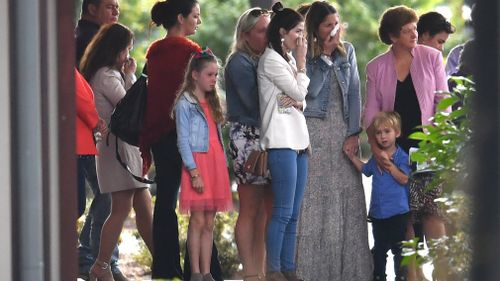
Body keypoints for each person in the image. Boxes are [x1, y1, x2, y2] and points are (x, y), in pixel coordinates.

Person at [363, 6, 449, 281]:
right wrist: (378, 151)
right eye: (407, 30)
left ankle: (444, 272)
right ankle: (413, 275)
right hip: (396, 152)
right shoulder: (376, 67)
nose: (414, 33)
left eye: (414, 27)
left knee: (432, 211)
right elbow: (371, 114)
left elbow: (443, 103)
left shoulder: (432, 57)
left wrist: (436, 139)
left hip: (429, 145)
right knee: (406, 217)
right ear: (392, 36)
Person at [139, 1, 222, 280]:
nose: (198, 21)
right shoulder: (193, 53)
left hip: (160, 135)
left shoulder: (153, 52)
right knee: (200, 207)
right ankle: (203, 271)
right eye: (195, 16)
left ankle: (165, 269)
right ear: (180, 17)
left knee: (165, 203)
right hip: (191, 138)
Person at [295, 2, 372, 281]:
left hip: (342, 129)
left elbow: (354, 93)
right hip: (313, 128)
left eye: (336, 22)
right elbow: (310, 93)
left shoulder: (348, 50)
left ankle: (352, 271)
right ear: (315, 28)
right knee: (314, 197)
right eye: (328, 24)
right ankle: (311, 271)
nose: (334, 29)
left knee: (348, 195)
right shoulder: (305, 54)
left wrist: (354, 132)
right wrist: (324, 56)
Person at [79, 23, 153, 281]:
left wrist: (128, 73)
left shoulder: (107, 73)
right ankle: (100, 265)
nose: (128, 55)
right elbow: (130, 105)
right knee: (121, 208)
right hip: (116, 150)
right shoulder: (107, 76)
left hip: (122, 149)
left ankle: (165, 262)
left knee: (144, 208)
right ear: (116, 49)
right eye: (127, 49)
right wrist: (132, 75)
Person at [257, 2, 309, 281]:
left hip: (299, 142)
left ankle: (288, 268)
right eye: (298, 32)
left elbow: (298, 99)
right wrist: (301, 67)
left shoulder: (285, 59)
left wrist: (296, 95)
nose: (301, 39)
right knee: (282, 211)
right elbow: (298, 93)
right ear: (282, 32)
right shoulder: (273, 60)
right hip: (280, 142)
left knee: (294, 214)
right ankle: (273, 270)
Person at [172, 49, 233, 281]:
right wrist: (193, 171)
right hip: (197, 165)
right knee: (197, 220)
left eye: (216, 75)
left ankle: (207, 272)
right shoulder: (185, 103)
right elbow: (182, 141)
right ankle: (195, 273)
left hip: (215, 163)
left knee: (209, 222)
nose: (214, 79)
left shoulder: (213, 100)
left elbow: (217, 135)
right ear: (195, 75)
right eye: (209, 75)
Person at [75, 1, 125, 280]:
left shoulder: (88, 38)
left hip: (89, 132)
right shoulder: (87, 40)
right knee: (106, 197)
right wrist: (96, 120)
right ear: (91, 8)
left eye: (117, 7)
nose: (116, 11)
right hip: (88, 132)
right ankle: (97, 260)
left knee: (105, 197)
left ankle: (94, 258)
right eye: (110, 6)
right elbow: (81, 91)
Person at [225, 8, 272, 281]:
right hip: (248, 137)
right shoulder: (239, 62)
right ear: (245, 35)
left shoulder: (264, 58)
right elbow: (255, 103)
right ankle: (249, 272)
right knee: (250, 207)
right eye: (261, 31)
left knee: (267, 209)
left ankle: (261, 269)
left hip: (268, 135)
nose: (267, 36)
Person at [346, 112, 411, 281]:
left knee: (399, 249)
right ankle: (379, 276)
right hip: (378, 214)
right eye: (378, 133)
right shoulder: (375, 159)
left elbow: (404, 179)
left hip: (398, 213)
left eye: (387, 131)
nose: (382, 136)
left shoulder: (402, 156)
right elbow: (366, 171)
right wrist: (352, 157)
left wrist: (388, 164)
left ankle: (401, 277)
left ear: (397, 133)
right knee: (380, 250)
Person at [75, 67, 107, 218]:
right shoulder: (66, 69)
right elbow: (81, 100)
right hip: (78, 144)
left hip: (77, 144)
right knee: (78, 203)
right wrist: (95, 121)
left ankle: (87, 239)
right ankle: (90, 240)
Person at [76, 0, 120, 65]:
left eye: (117, 7)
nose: (116, 12)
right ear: (92, 10)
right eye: (109, 7)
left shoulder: (77, 32)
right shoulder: (97, 40)